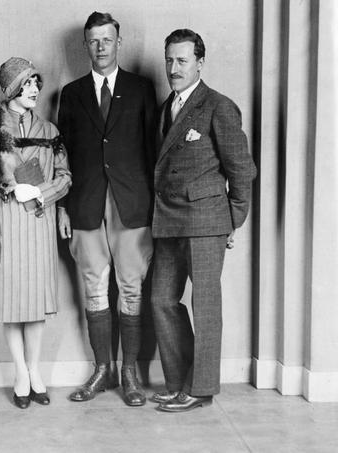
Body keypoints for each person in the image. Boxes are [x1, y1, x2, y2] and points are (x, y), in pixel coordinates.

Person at [151, 29, 257, 412]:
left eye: (182, 60)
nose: (174, 68)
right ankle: (179, 382)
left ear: (199, 63)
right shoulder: (168, 106)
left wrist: (232, 220)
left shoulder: (218, 106)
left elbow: (242, 170)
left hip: (206, 220)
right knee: (162, 300)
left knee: (205, 304)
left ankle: (200, 389)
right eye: (169, 60)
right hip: (168, 219)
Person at [58, 12, 157, 406]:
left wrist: (156, 209)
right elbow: (60, 155)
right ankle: (102, 370)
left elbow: (153, 150)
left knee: (131, 289)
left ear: (119, 42)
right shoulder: (72, 92)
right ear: (85, 45)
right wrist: (63, 207)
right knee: (94, 289)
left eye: (107, 40)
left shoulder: (141, 88)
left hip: (132, 205)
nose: (101, 47)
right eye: (93, 41)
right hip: (84, 205)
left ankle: (130, 372)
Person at [0, 57, 71, 409]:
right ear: (11, 87)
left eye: (36, 82)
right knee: (12, 305)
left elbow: (65, 176)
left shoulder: (49, 130)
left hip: (39, 224)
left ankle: (35, 371)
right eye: (27, 83)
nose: (34, 89)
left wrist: (41, 193)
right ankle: (19, 373)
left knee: (34, 308)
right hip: (7, 225)